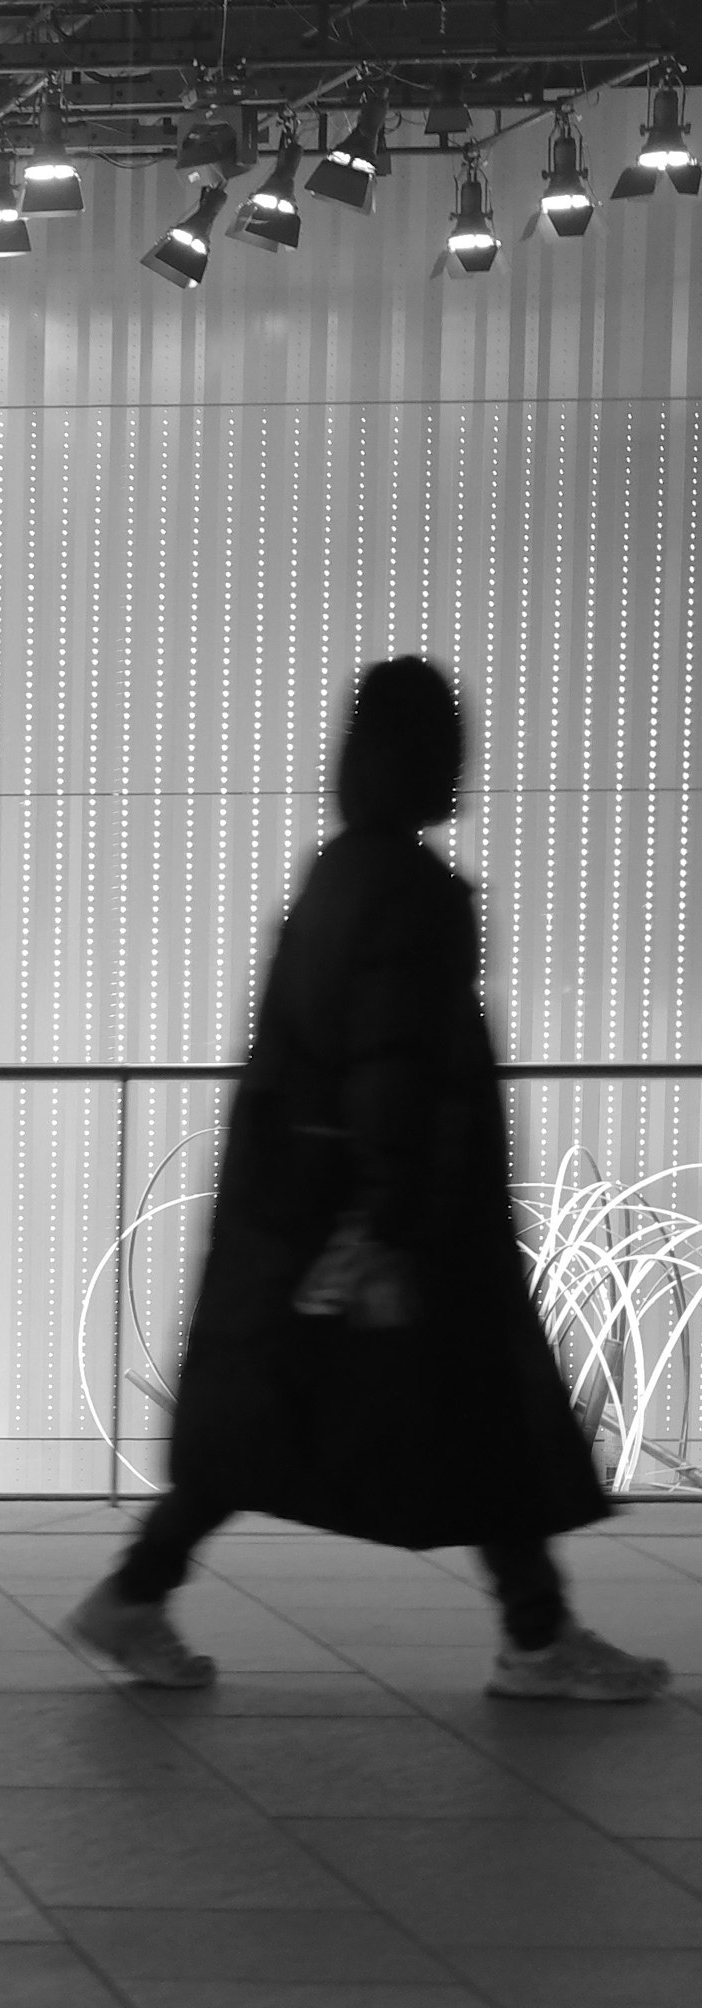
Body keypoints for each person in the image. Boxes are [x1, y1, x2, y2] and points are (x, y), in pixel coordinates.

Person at [67, 658, 665, 1701]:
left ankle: (140, 1591)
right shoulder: (409, 894)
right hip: (395, 1220)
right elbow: (394, 1057)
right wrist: (392, 1215)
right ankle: (536, 1635)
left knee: (280, 1417)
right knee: (476, 1415)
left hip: (306, 1212)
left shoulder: (337, 876)